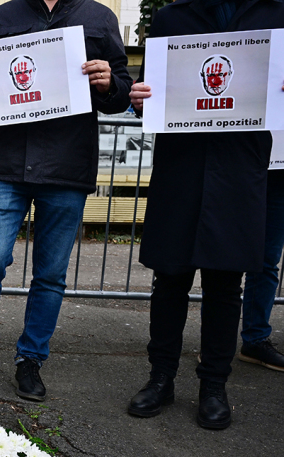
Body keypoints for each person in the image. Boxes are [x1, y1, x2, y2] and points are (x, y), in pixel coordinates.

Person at [0, 0, 132, 400]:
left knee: (50, 274)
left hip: (67, 165)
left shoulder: (99, 18)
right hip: (5, 163)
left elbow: (121, 93)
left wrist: (110, 84)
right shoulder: (2, 17)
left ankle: (31, 360)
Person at [127, 0, 284, 429]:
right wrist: (139, 97)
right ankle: (161, 378)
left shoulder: (276, 17)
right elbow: (147, 90)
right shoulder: (171, 18)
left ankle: (214, 385)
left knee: (225, 282)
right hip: (182, 164)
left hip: (240, 167)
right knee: (170, 278)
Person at [239, 172, 284, 371]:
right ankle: (214, 342)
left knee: (268, 260)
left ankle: (255, 340)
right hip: (240, 164)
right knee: (221, 262)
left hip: (279, 173)